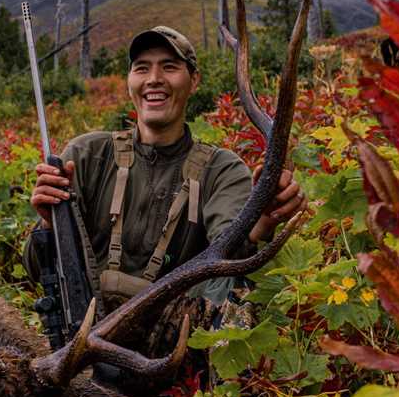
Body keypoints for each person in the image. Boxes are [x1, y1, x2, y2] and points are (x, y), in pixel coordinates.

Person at [25, 25, 305, 334]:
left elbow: (231, 258)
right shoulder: (85, 155)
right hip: (84, 333)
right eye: (142, 68)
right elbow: (39, 271)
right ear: (130, 81)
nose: (154, 79)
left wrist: (261, 224)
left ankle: (219, 382)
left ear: (194, 80)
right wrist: (49, 225)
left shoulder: (222, 170)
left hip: (177, 338)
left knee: (238, 293)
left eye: (169, 67)